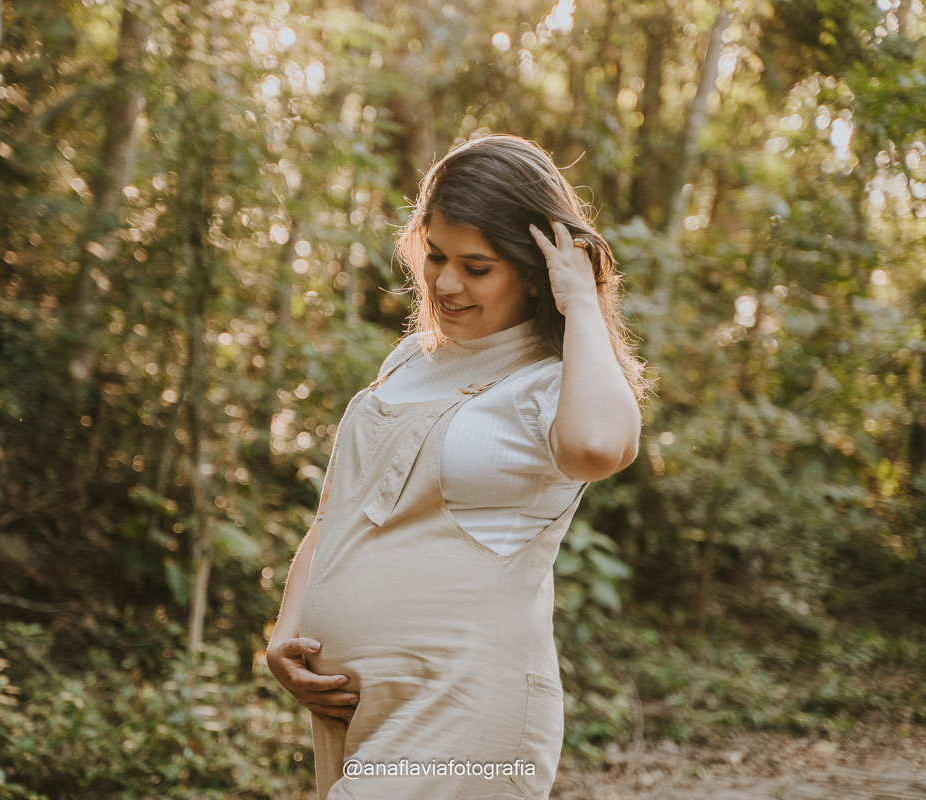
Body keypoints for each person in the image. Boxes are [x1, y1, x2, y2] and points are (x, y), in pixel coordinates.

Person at [266, 134, 645, 800]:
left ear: (533, 269)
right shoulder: (408, 360)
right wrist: (286, 629)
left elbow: (595, 449)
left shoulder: (553, 381)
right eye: (436, 256)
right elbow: (336, 510)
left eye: (476, 266)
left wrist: (582, 302)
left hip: (468, 703)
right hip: (358, 708)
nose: (445, 283)